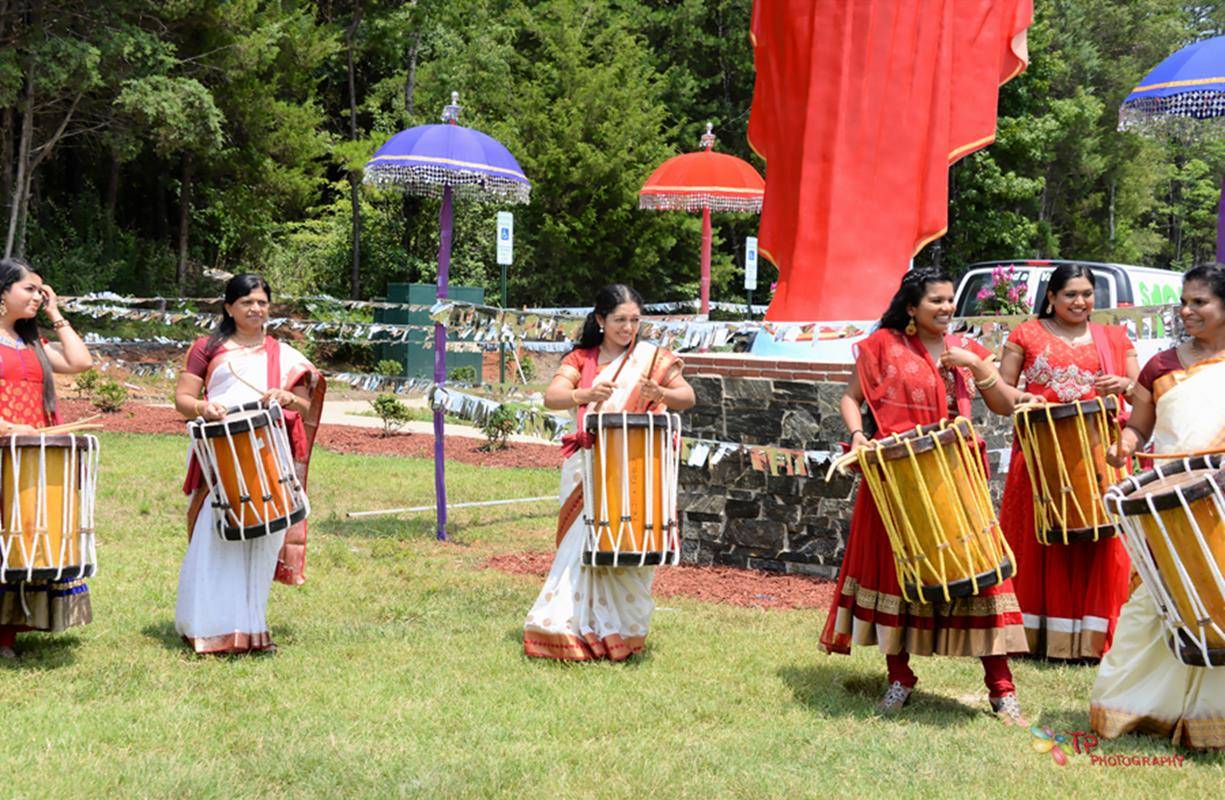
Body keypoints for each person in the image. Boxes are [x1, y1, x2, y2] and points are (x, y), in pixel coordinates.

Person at [819, 268, 1031, 722]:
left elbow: (1006, 404)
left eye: (950, 300)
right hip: (897, 476)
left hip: (956, 475)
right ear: (911, 307)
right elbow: (850, 398)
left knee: (982, 575)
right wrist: (858, 437)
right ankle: (900, 678)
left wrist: (976, 368)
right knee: (894, 577)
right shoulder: (883, 346)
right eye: (936, 300)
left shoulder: (969, 349)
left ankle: (1001, 688)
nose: (946, 307)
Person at [1091, 264, 1225, 749]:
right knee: (1153, 605)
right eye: (1184, 302)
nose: (1187, 311)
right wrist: (1124, 445)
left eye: (1200, 303)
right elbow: (1139, 427)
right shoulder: (1160, 365)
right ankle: (1135, 708)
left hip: (1220, 504)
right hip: (1166, 506)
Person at [523, 284, 695, 661]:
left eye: (634, 320)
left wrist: (660, 393)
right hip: (588, 471)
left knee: (628, 547)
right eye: (620, 320)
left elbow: (688, 397)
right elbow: (552, 397)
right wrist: (584, 396)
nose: (628, 328)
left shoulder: (653, 359)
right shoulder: (581, 359)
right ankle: (564, 629)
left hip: (636, 471)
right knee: (580, 547)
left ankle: (622, 633)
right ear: (600, 320)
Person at [173, 274, 325, 655]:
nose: (256, 309)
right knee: (216, 535)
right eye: (246, 303)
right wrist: (204, 407)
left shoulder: (285, 356)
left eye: (261, 302)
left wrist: (287, 398)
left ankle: (252, 630)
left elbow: (308, 404)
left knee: (263, 541)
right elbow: (182, 398)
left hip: (269, 457)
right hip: (223, 458)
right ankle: (206, 629)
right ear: (229, 308)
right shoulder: (206, 348)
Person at [996, 264, 1136, 660]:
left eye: (1087, 294)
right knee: (1038, 540)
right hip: (1041, 454)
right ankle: (1032, 639)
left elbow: (1141, 390)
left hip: (1099, 456)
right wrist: (1024, 399)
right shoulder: (1026, 334)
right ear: (1051, 297)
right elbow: (1003, 392)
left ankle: (1094, 642)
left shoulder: (1114, 337)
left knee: (1101, 543)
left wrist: (1123, 385)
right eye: (1071, 294)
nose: (1080, 302)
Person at [0, 257, 94, 659]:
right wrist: (5, 425)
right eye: (30, 289)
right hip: (5, 445)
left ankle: (9, 631)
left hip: (29, 455)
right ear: (2, 293)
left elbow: (79, 362)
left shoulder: (32, 343)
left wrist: (55, 313)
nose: (38, 295)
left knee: (21, 536)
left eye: (42, 290)